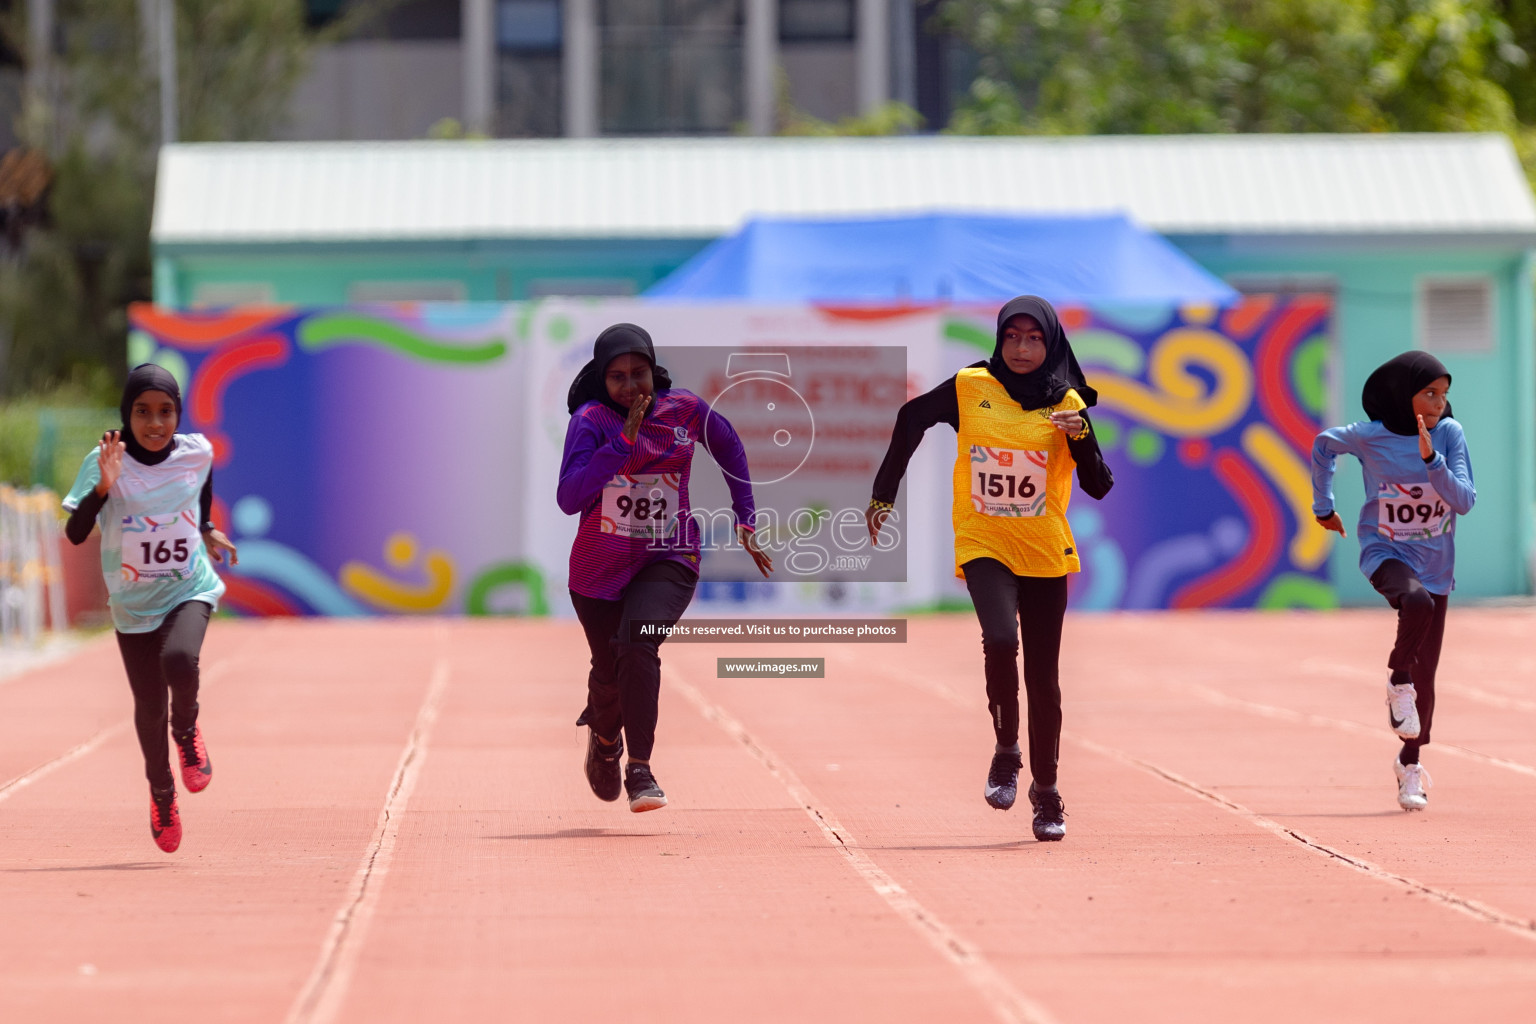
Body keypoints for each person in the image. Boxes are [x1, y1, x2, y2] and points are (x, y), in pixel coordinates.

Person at [867, 296, 1113, 841]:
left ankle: (1047, 795)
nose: (1021, 349)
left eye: (1034, 339)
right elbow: (910, 419)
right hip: (984, 542)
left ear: (1051, 344)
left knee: (1043, 679)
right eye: (1011, 337)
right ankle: (1007, 751)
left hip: (1044, 549)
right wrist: (883, 496)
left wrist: (1080, 437)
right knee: (1001, 640)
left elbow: (1098, 483)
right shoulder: (970, 386)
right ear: (998, 340)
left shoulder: (1067, 402)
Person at [558, 324, 773, 812]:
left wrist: (746, 518)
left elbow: (730, 446)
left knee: (637, 644)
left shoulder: (685, 410)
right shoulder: (590, 420)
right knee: (609, 671)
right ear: (602, 379)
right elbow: (569, 498)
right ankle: (604, 739)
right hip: (597, 571)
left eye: (639, 374)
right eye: (617, 377)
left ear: (654, 371)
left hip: (669, 557)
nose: (630, 386)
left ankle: (641, 769)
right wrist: (621, 445)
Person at [62, 364, 238, 852]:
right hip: (133, 604)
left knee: (180, 660)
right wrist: (103, 487)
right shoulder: (105, 459)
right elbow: (75, 534)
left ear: (178, 414)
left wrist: (204, 528)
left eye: (166, 412)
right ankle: (162, 793)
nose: (155, 423)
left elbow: (200, 485)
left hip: (188, 587)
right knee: (147, 704)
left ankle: (186, 730)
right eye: (143, 412)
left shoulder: (196, 451)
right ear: (127, 414)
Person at [1312, 351, 1474, 810]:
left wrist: (1432, 461)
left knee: (1430, 677)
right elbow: (1324, 444)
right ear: (1403, 396)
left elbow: (1464, 501)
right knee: (1415, 605)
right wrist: (1323, 506)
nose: (1438, 403)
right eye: (1428, 393)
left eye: (1443, 395)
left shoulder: (1449, 435)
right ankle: (1396, 680)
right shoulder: (1370, 438)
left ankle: (1409, 766)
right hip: (1385, 550)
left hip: (1436, 565)